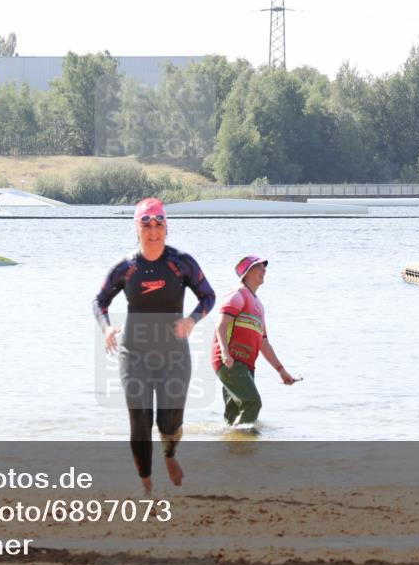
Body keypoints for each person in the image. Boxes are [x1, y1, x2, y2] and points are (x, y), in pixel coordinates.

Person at [93, 198, 215, 495]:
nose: (153, 231)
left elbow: (208, 296)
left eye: (159, 224)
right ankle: (146, 483)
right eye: (146, 224)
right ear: (136, 228)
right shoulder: (126, 268)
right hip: (134, 353)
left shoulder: (180, 263)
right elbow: (100, 301)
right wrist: (107, 327)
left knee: (168, 422)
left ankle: (169, 454)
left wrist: (191, 320)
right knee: (139, 417)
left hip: (174, 354)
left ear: (166, 228)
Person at [211, 256, 298, 428]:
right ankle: (245, 443)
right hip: (231, 362)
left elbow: (264, 343)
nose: (264, 271)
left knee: (233, 414)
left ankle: (231, 448)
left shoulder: (258, 305)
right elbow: (221, 326)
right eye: (259, 267)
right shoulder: (237, 294)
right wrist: (225, 353)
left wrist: (281, 371)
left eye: (264, 268)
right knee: (252, 402)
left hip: (246, 365)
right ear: (247, 272)